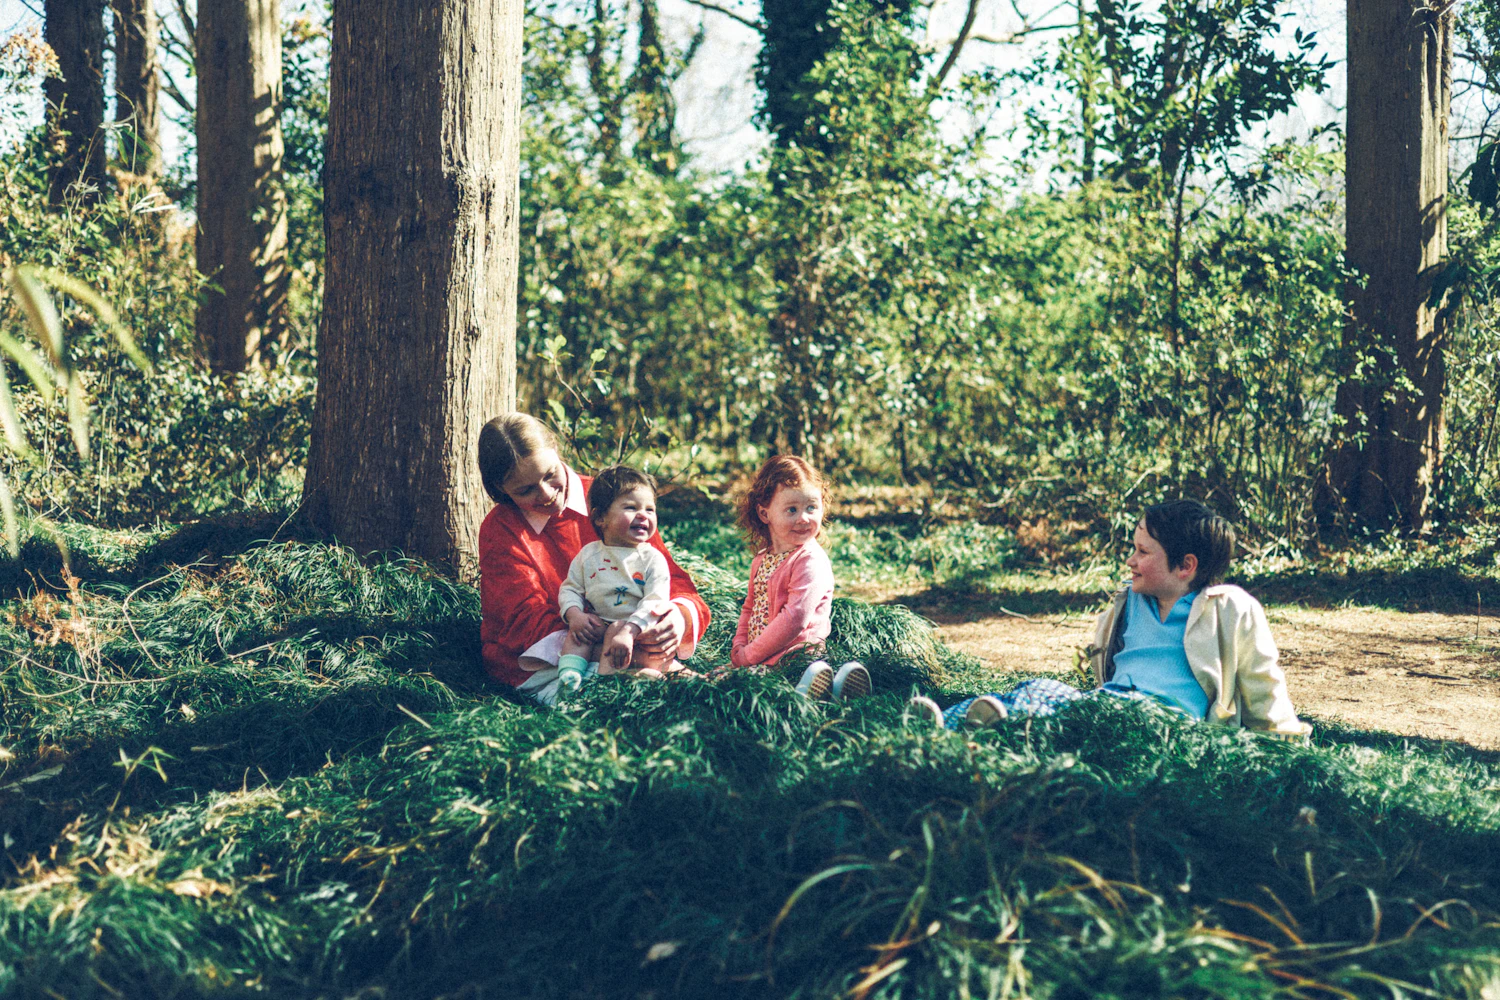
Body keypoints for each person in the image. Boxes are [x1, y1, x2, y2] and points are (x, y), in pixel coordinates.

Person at [911, 499, 1310, 739]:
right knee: (1039, 691)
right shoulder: (1132, 601)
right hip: (1112, 706)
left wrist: (1287, 746)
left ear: (1185, 566)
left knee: (1043, 697)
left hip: (1165, 726)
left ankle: (972, 727)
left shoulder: (1229, 608)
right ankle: (937, 723)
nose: (1130, 560)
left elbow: (1264, 687)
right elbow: (1108, 664)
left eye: (1142, 552)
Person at [477, 414, 710, 706]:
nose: (547, 494)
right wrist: (619, 641)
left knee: (691, 700)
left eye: (550, 475)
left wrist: (676, 616)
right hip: (550, 658)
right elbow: (522, 621)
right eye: (525, 490)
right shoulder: (502, 529)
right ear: (501, 490)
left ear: (557, 449)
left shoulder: (611, 497)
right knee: (626, 701)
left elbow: (667, 576)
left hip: (629, 639)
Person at [730, 455, 870, 700]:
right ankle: (828, 693)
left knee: (754, 692)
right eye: (791, 510)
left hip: (796, 657)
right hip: (762, 658)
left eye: (811, 508)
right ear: (765, 514)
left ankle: (819, 687)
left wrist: (749, 656)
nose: (803, 518)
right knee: (723, 686)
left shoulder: (809, 560)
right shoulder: (762, 559)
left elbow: (794, 619)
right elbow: (749, 608)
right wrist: (739, 647)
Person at [552, 466, 674, 690]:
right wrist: (575, 615)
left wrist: (630, 631)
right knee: (578, 634)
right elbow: (570, 588)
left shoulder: (651, 558)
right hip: (602, 623)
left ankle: (607, 684)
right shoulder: (589, 555)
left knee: (616, 629)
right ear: (600, 518)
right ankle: (569, 676)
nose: (643, 515)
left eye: (650, 509)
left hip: (639, 632)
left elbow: (655, 601)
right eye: (631, 507)